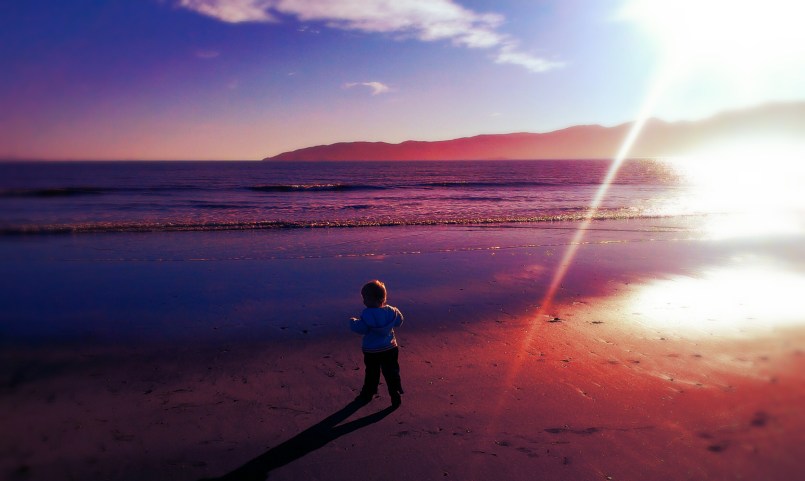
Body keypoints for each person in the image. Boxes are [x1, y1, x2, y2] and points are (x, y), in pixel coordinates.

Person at [349, 280, 404, 407]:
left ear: (374, 299)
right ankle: (395, 391)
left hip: (372, 351)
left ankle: (368, 393)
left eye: (365, 298)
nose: (364, 301)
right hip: (390, 348)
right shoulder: (391, 311)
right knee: (391, 371)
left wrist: (353, 322)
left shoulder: (367, 314)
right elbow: (399, 321)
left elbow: (361, 329)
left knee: (372, 372)